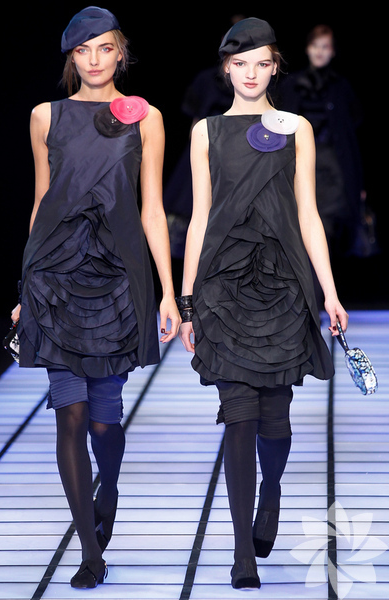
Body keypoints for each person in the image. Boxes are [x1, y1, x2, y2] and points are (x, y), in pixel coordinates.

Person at [11, 6, 180, 589]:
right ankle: (89, 552)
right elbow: (41, 201)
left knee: (105, 424)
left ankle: (109, 489)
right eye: (82, 50)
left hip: (117, 276)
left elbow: (152, 208)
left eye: (104, 48)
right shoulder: (46, 116)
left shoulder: (146, 118)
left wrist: (168, 293)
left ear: (120, 53)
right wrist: (25, 287)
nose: (94, 60)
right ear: (71, 58)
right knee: (70, 415)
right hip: (56, 276)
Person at [178, 17, 348, 590]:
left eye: (262, 63)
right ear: (226, 69)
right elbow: (199, 218)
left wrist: (330, 291)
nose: (251, 73)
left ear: (275, 68)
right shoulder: (205, 132)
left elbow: (308, 214)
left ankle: (270, 492)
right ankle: (241, 554)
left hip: (282, 283)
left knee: (275, 421)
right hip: (223, 285)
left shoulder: (297, 127)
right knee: (238, 418)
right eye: (240, 63)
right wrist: (187, 299)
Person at [279, 25, 365, 267]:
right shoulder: (290, 85)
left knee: (325, 227)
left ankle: (318, 287)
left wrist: (358, 183)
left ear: (333, 51)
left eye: (325, 46)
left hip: (331, 167)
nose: (319, 51)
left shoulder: (341, 87)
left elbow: (351, 136)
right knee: (295, 227)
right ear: (307, 48)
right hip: (296, 164)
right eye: (315, 45)